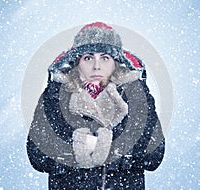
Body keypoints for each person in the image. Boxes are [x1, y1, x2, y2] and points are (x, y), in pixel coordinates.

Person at [26, 22, 165, 190]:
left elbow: (154, 155)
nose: (96, 66)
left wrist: (108, 146)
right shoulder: (55, 96)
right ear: (77, 62)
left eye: (105, 57)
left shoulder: (136, 96)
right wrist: (79, 144)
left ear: (116, 62)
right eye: (88, 57)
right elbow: (37, 155)